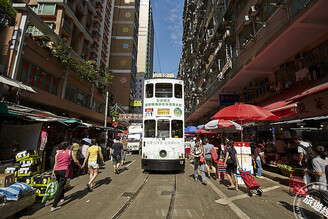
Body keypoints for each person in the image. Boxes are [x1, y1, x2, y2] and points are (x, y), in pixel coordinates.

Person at [51, 141, 81, 212]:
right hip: (64, 171)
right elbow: (75, 160)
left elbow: (56, 163)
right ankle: (54, 205)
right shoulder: (70, 152)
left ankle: (62, 198)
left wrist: (53, 172)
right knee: (60, 187)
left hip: (57, 170)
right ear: (68, 146)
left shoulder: (58, 152)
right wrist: (80, 166)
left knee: (61, 185)